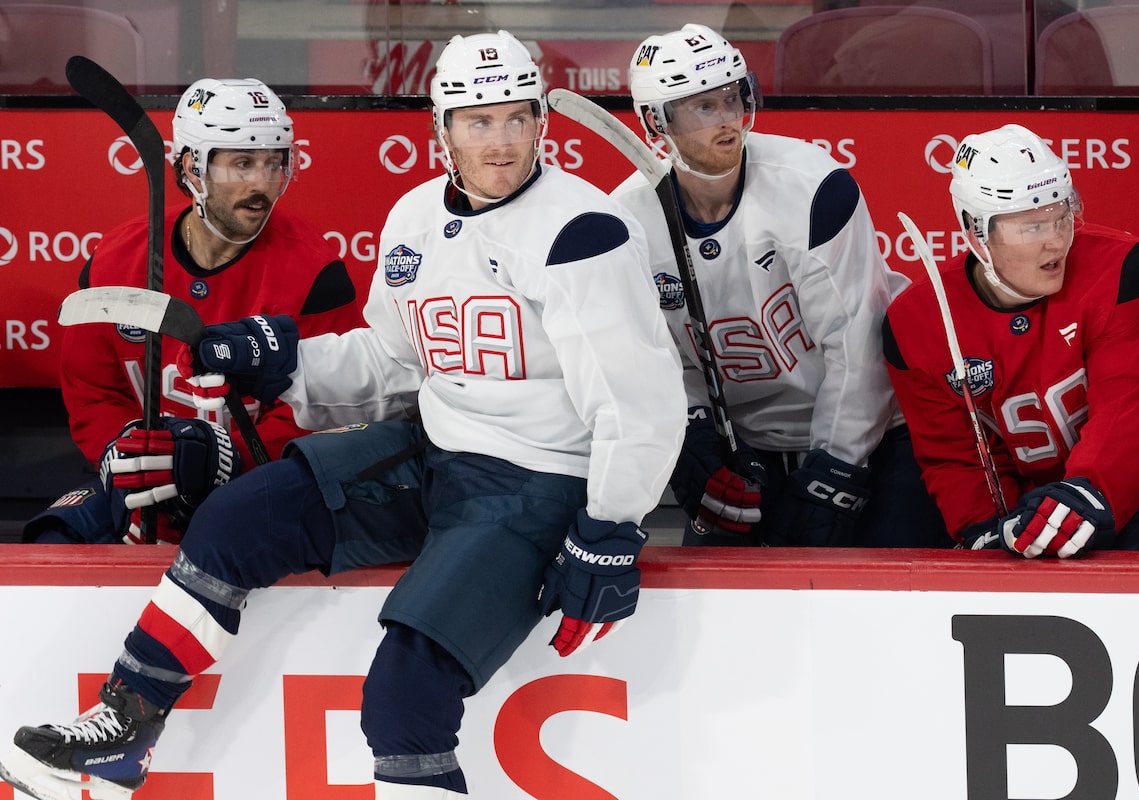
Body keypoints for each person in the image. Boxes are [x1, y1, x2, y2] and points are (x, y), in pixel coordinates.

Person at [0, 30, 685, 800]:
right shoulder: (417, 218)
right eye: (477, 120)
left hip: (536, 484)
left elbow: (641, 399)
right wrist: (285, 361)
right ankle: (123, 732)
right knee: (237, 519)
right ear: (441, 131)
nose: (500, 141)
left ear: (541, 124)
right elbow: (393, 362)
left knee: (404, 701)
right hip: (435, 454)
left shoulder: (582, 232)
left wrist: (611, 527)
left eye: (516, 117)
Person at [611, 23, 946, 548]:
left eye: (733, 98)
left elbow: (856, 343)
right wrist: (692, 431)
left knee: (885, 595)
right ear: (656, 121)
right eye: (704, 107)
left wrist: (835, 468)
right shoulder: (627, 222)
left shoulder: (813, 189)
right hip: (750, 448)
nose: (728, 120)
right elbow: (658, 356)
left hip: (878, 433)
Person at [23, 77, 362, 545]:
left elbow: (329, 405)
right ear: (191, 168)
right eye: (241, 164)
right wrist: (132, 457)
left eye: (273, 164)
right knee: (54, 542)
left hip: (261, 479)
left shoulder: (315, 274)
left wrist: (223, 459)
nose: (261, 184)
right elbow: (93, 391)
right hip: (138, 478)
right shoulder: (117, 261)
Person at [883, 122, 1139, 555]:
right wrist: (985, 526)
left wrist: (1085, 493)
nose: (1055, 242)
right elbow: (954, 456)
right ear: (977, 232)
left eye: (1061, 217)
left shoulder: (1123, 270)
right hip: (1030, 500)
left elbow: (1134, 411)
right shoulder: (917, 321)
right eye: (1032, 227)